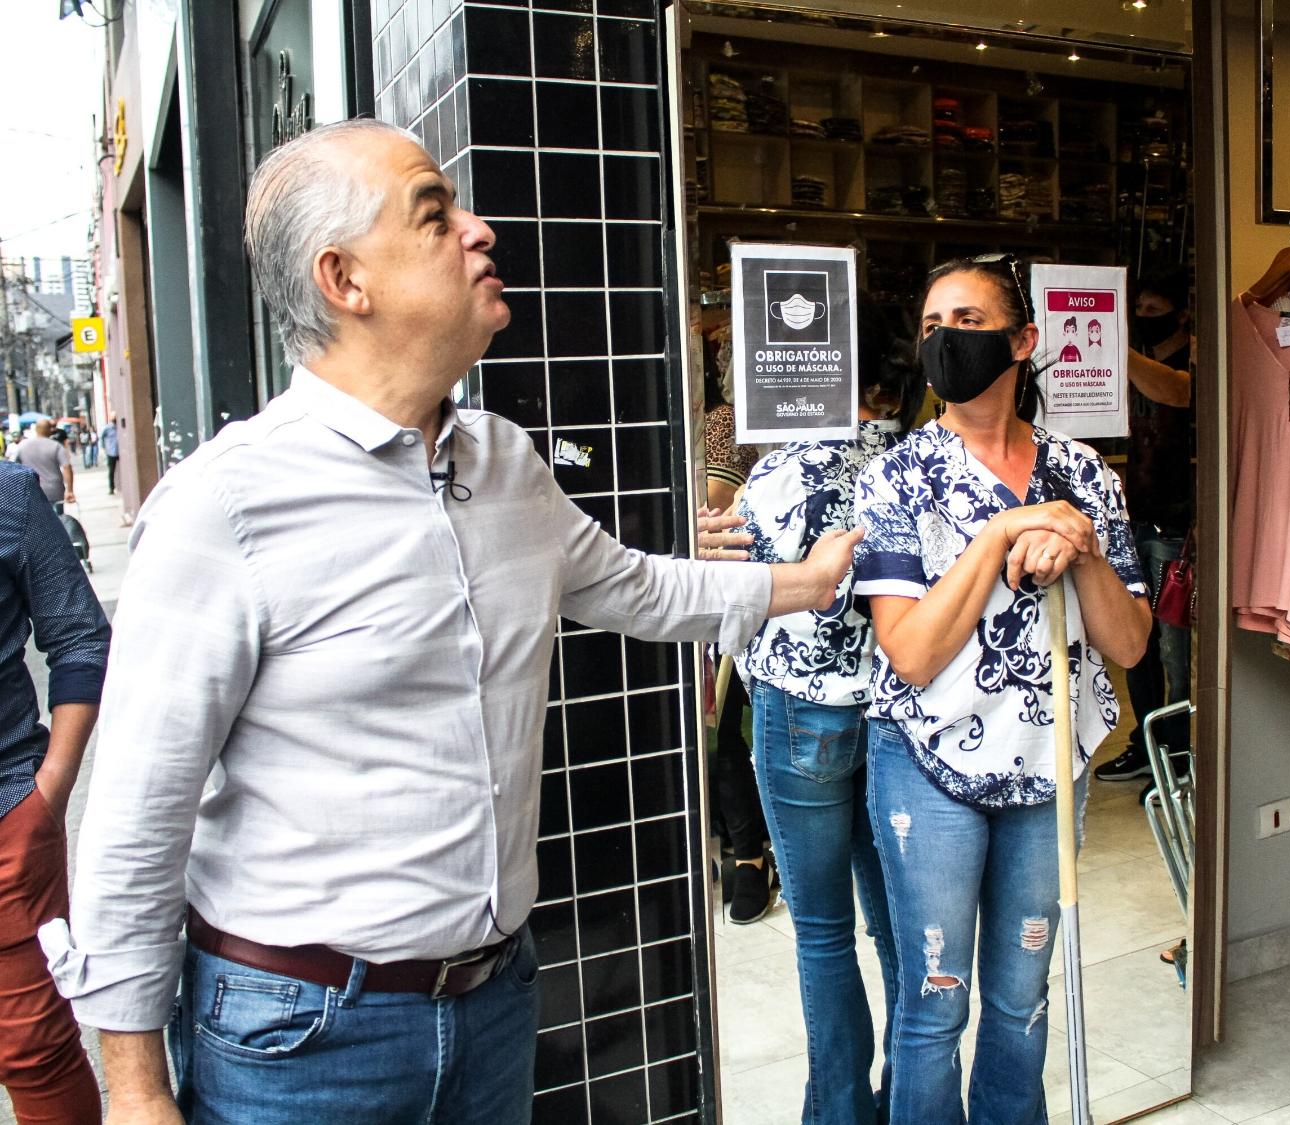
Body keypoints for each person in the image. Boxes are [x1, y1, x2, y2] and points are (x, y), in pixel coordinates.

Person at [41, 119, 861, 1125]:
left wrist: (805, 585)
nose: (480, 230)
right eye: (435, 215)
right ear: (346, 279)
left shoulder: (507, 462)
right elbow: (136, 812)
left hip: (493, 1003)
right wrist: (133, 1089)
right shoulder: (227, 505)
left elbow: (636, 588)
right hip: (297, 1038)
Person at [852, 256, 1150, 1123]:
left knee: (1021, 999)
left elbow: (1128, 642)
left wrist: (1081, 544)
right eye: (933, 320)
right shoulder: (897, 477)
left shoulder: (1085, 475)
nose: (947, 337)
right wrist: (1001, 533)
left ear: (1023, 342)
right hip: (927, 765)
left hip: (1049, 765)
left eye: (970, 320)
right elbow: (908, 651)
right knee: (935, 1002)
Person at [732, 297, 923, 1123]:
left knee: (820, 930)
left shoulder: (778, 473)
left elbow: (732, 599)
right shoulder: (915, 460)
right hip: (889, 717)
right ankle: (909, 1097)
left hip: (797, 712)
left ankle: (838, 1113)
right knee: (896, 927)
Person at [0, 460, 110, 1124]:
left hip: (7, 818)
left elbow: (80, 636)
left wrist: (49, 791)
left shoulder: (8, 493)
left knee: (34, 1050)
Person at [1097, 266, 1195, 782]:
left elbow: (1176, 392)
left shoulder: (1194, 360)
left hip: (1180, 525)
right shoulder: (1141, 364)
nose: (1142, 320)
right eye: (1137, 313)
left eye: (1152, 312)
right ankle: (1147, 745)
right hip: (1135, 517)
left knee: (1174, 653)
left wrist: (1114, 346)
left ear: (1180, 314)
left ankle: (1176, 755)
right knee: (1136, 646)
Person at [703, 366, 774, 921]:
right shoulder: (726, 421)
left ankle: (754, 853)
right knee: (721, 727)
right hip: (736, 593)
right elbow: (713, 501)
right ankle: (748, 855)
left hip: (798, 604)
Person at [14, 420, 75, 508]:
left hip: (32, 490)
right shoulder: (56, 446)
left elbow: (14, 467)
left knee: (37, 520)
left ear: (36, 430)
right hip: (54, 490)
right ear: (49, 430)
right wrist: (70, 490)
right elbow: (67, 467)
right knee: (56, 519)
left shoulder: (23, 446)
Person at [99, 416, 119, 495]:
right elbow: (102, 438)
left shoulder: (118, 427)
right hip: (111, 452)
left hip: (119, 451)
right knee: (111, 471)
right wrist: (104, 447)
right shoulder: (107, 428)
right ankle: (111, 488)